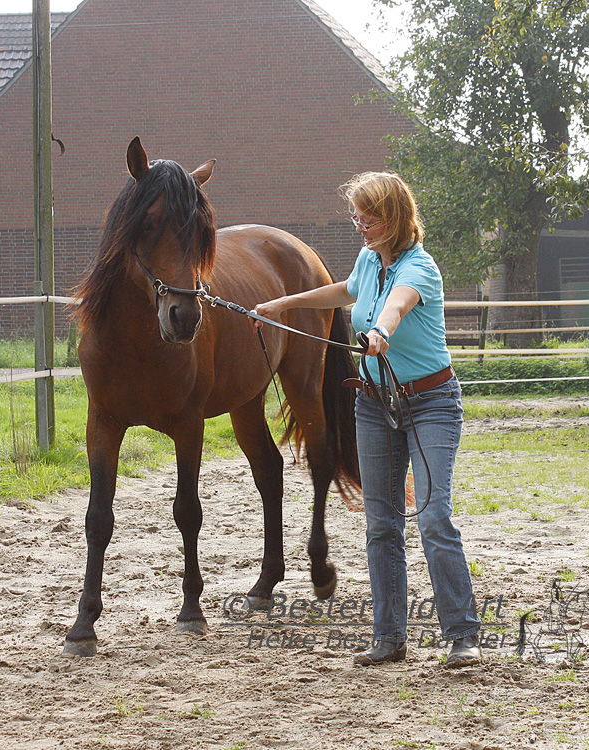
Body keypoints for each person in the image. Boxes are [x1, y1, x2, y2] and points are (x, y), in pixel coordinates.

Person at [253, 171, 482, 668]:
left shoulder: (419, 268)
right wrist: (283, 303)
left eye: (369, 216)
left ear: (394, 217)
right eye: (356, 215)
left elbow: (397, 306)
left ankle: (462, 633)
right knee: (381, 524)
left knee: (434, 518)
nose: (360, 223)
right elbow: (346, 292)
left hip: (430, 404)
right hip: (375, 405)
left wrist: (380, 330)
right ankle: (389, 638)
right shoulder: (367, 259)